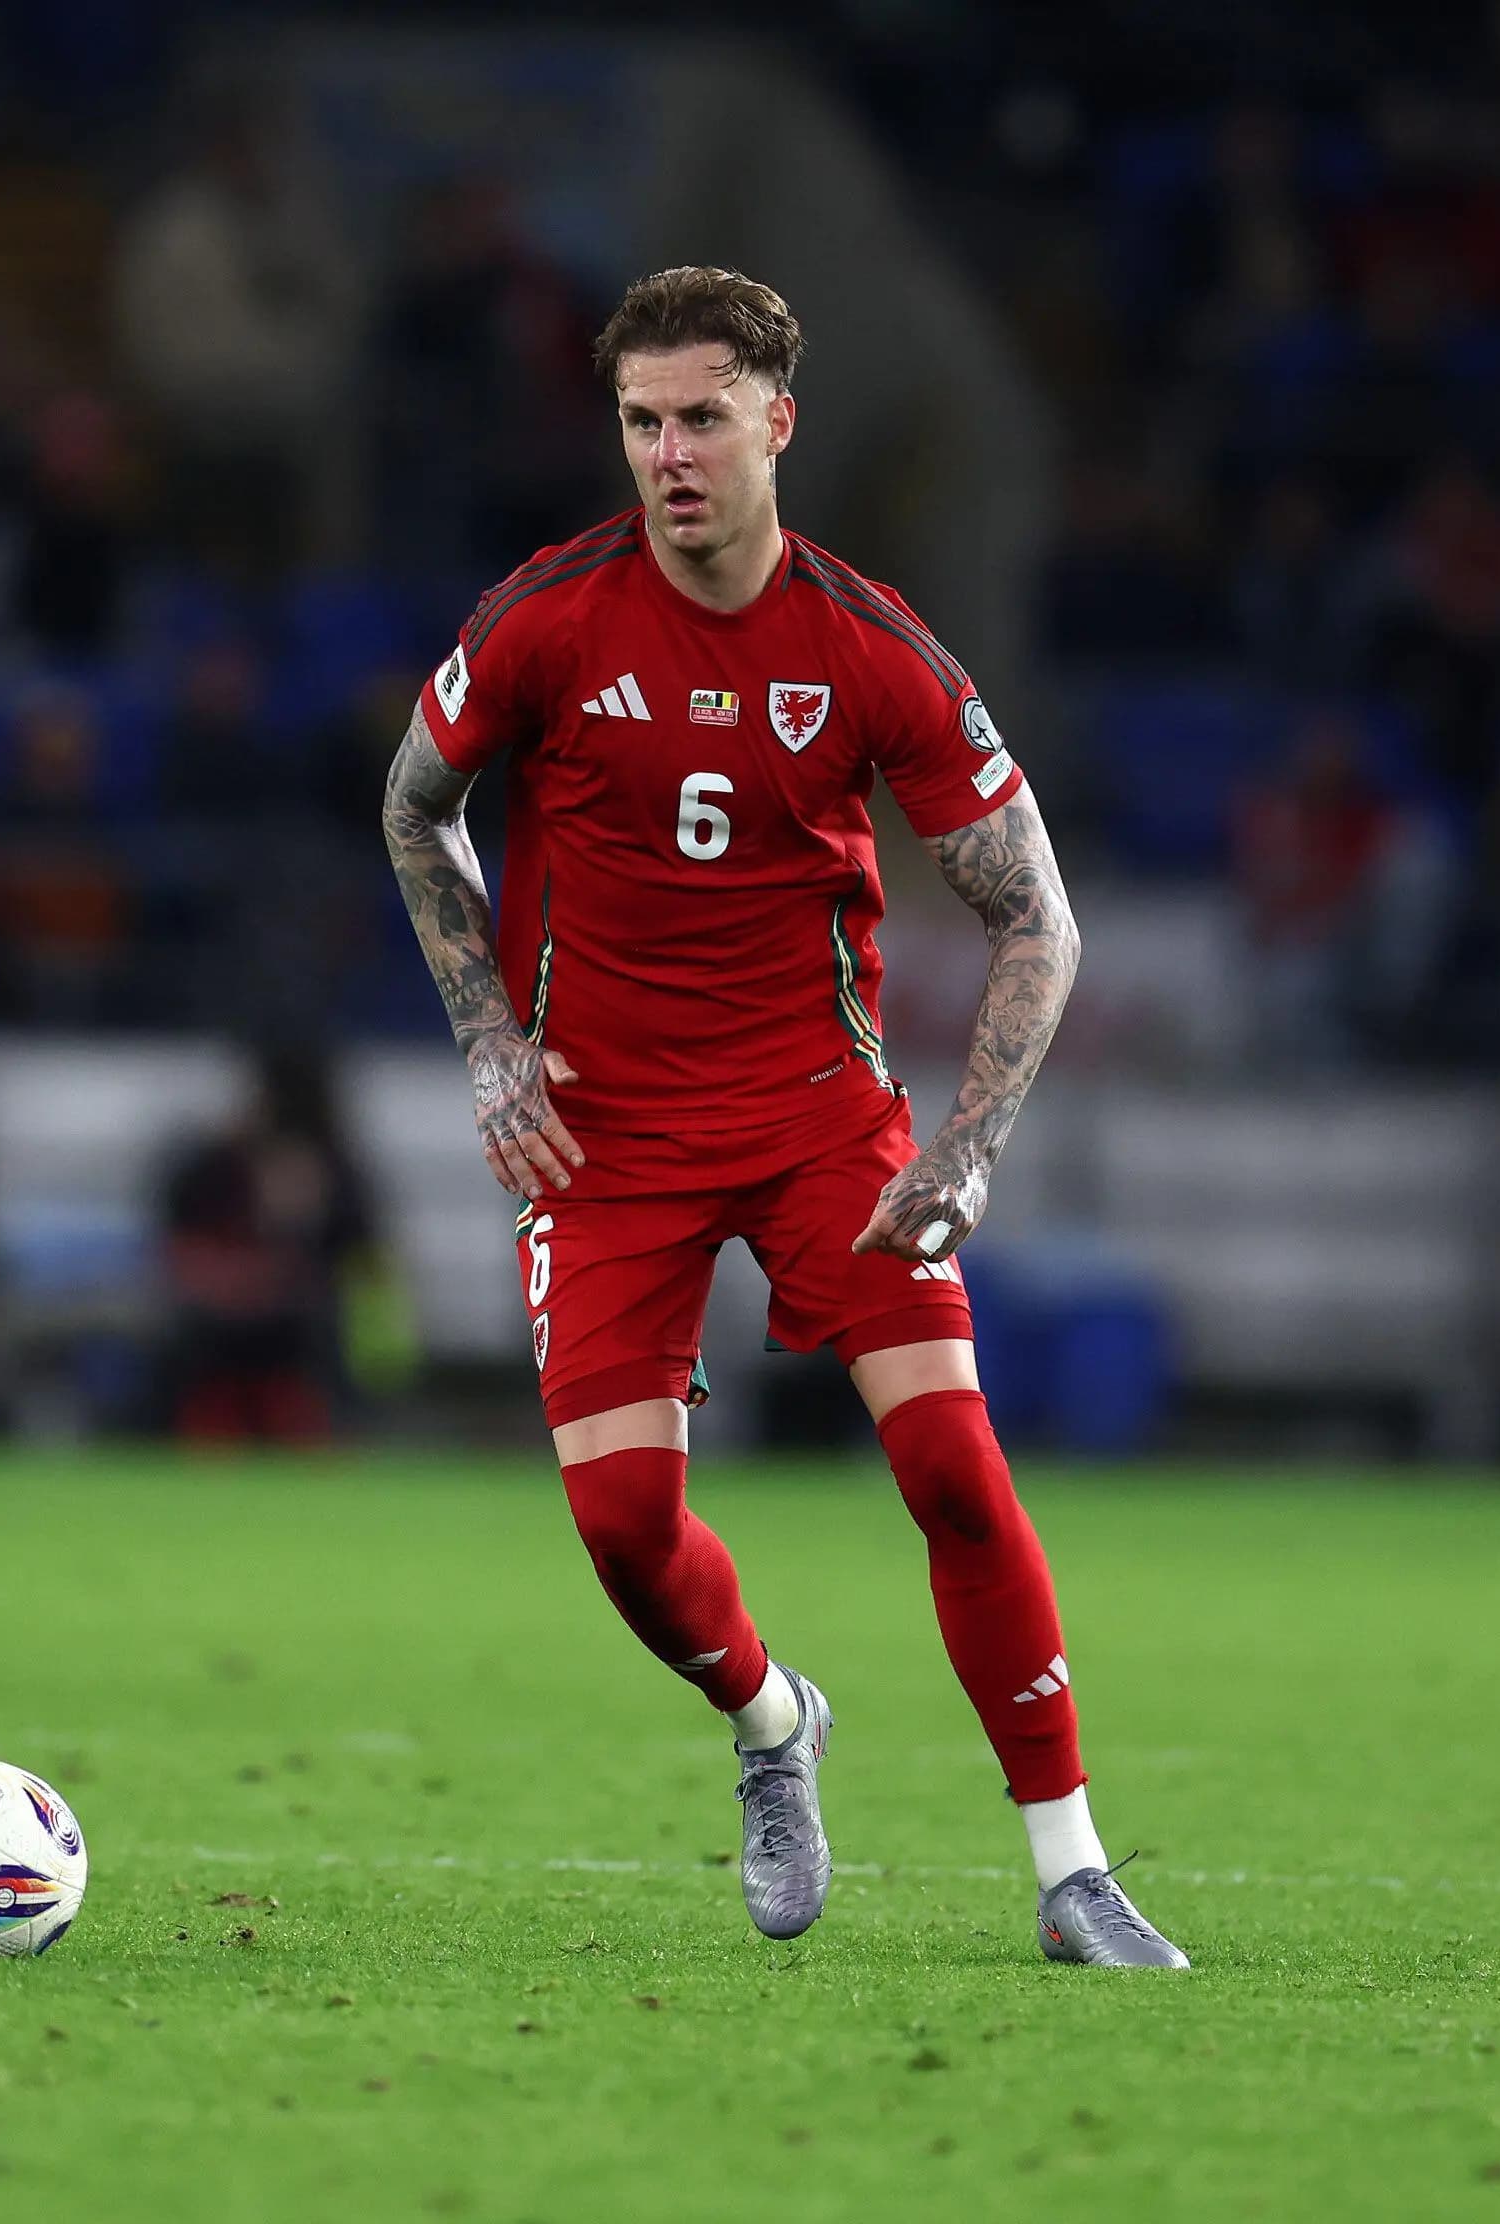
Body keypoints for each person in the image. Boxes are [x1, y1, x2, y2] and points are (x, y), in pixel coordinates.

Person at [377, 267, 1184, 1969]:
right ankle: (770, 1722)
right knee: (623, 1535)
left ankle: (1071, 1871)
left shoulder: (868, 648)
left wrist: (964, 1150)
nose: (669, 455)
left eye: (702, 419)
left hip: (818, 1114)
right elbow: (416, 805)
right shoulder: (546, 615)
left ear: (777, 423)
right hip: (598, 1138)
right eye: (641, 422)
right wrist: (486, 1041)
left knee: (956, 1470)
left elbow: (1034, 912)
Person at [153, 1050, 390, 1444]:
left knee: (326, 1332)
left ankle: (326, 1428)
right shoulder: (211, 1167)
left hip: (297, 1316)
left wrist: (302, 1221)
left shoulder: (335, 1176)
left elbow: (357, 1252)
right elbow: (178, 1233)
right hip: (217, 1312)